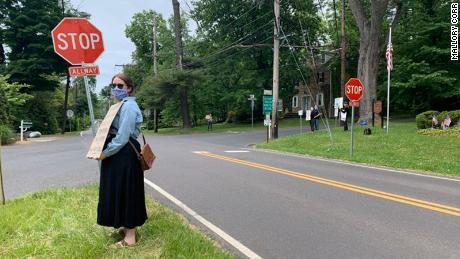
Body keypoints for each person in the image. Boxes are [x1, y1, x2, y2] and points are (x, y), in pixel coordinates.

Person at [96, 73, 147, 248]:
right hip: (119, 155)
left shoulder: (129, 107)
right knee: (119, 190)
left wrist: (105, 153)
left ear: (129, 88)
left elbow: (123, 137)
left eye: (120, 86)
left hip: (125, 155)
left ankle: (130, 238)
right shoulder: (120, 105)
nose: (116, 89)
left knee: (127, 192)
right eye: (114, 85)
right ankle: (126, 228)